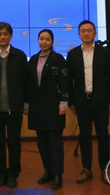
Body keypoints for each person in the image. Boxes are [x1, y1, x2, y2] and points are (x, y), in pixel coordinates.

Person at [67, 20, 110, 185]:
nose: (86, 33)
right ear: (78, 34)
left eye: (89, 30)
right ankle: (86, 168)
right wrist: (71, 102)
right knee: (84, 136)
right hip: (81, 102)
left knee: (103, 136)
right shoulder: (73, 54)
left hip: (101, 101)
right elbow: (69, 81)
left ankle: (105, 169)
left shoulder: (105, 53)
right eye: (83, 31)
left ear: (95, 33)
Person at [0, 22, 29, 188]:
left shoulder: (20, 55)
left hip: (14, 107)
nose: (2, 37)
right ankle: (1, 172)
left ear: (11, 36)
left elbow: (25, 81)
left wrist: (25, 102)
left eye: (5, 34)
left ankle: (13, 174)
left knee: (14, 142)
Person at [28, 29, 69, 190]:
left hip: (54, 107)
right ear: (38, 40)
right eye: (41, 39)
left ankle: (58, 174)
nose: (44, 42)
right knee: (42, 142)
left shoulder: (58, 59)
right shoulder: (32, 59)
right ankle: (48, 171)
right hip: (37, 107)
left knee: (55, 142)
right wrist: (26, 104)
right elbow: (29, 84)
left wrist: (63, 103)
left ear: (52, 41)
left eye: (47, 39)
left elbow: (64, 82)